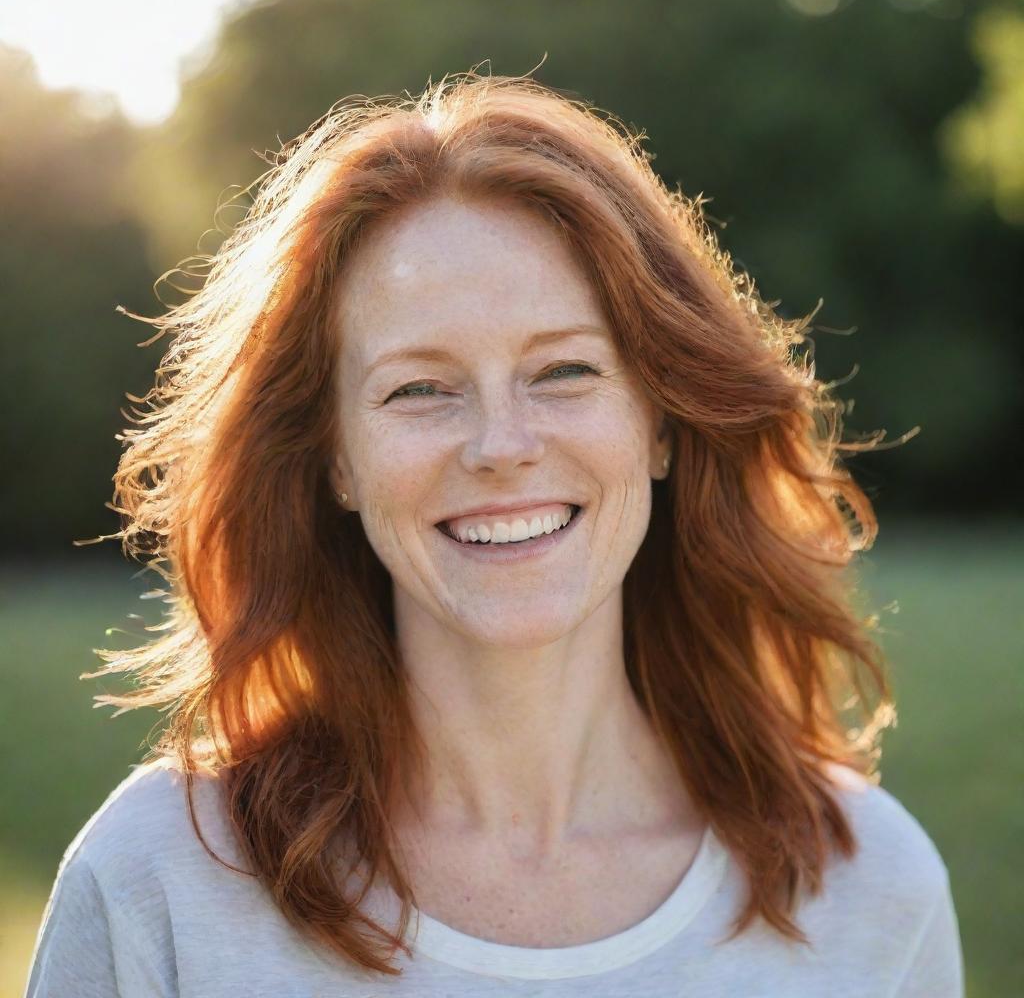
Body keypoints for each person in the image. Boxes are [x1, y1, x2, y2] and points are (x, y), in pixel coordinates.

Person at [25, 71, 964, 996]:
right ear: (337, 461)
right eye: (419, 388)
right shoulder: (161, 883)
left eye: (563, 371)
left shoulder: (870, 888)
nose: (501, 446)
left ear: (665, 425)